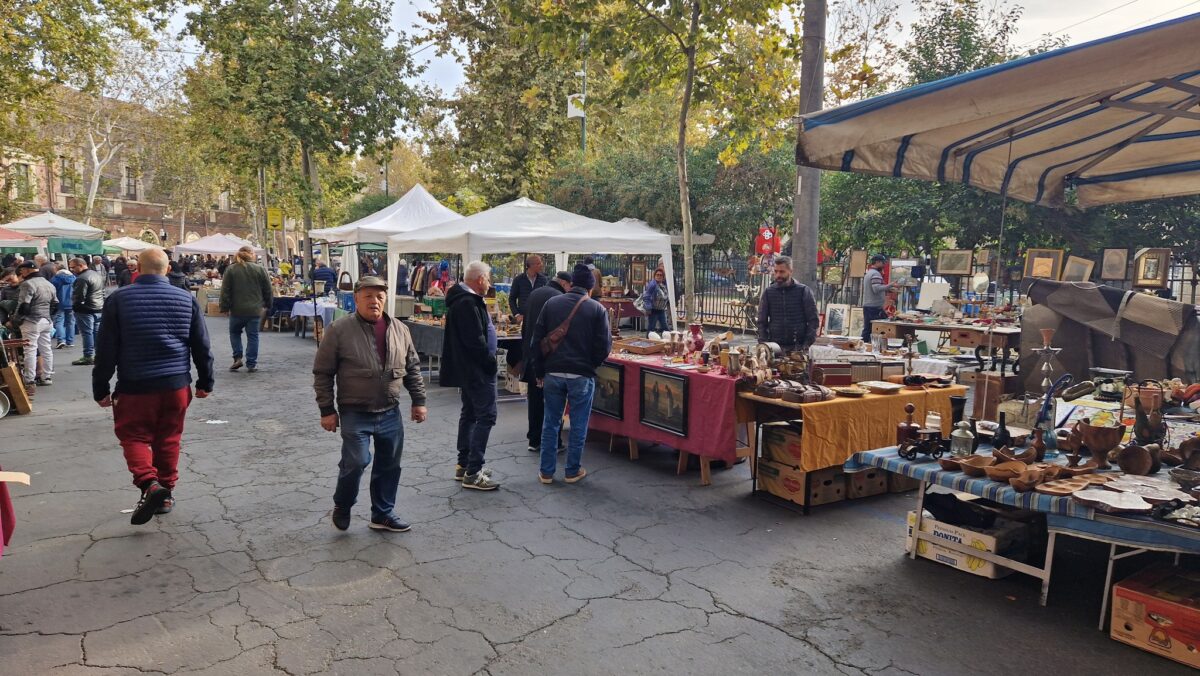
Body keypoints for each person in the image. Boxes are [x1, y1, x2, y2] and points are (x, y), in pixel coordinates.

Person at [93, 246, 214, 525]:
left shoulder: (119, 299)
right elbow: (201, 345)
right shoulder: (185, 298)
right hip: (175, 384)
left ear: (137, 268)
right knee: (169, 438)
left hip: (135, 384)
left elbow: (107, 349)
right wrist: (205, 381)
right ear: (167, 269)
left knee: (133, 436)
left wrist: (101, 387)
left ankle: (150, 484)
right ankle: (166, 493)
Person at [313, 276, 426, 532]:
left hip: (390, 410)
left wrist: (419, 401)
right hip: (355, 411)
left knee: (390, 465)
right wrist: (327, 410)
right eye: (368, 296)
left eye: (379, 296)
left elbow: (412, 368)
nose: (375, 301)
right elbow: (323, 373)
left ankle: (382, 514)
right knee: (356, 461)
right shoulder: (339, 331)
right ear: (356, 299)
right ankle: (343, 503)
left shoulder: (400, 329)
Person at [530, 264, 612, 484]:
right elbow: (604, 347)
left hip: (553, 372)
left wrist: (539, 371)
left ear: (572, 283)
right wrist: (590, 365)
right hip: (581, 375)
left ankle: (546, 472)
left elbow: (537, 341)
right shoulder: (596, 309)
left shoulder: (551, 303)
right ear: (590, 287)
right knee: (578, 424)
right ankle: (572, 470)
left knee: (551, 422)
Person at [442, 260, 501, 490]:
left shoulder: (464, 300)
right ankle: (473, 471)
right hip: (477, 371)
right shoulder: (467, 302)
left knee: (469, 414)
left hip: (470, 370)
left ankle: (464, 464)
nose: (490, 283)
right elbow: (475, 341)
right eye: (488, 278)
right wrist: (490, 362)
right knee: (486, 416)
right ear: (480, 279)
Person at [521, 270, 572, 453]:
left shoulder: (535, 293)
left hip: (531, 354)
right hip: (549, 358)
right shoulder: (559, 298)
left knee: (534, 399)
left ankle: (534, 440)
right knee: (553, 402)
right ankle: (554, 442)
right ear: (565, 284)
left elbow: (525, 326)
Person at [219, 246, 273, 372]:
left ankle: (237, 357)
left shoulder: (231, 269)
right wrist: (268, 304)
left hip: (236, 309)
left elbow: (225, 290)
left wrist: (224, 307)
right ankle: (251, 363)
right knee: (253, 336)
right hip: (254, 310)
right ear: (251, 254)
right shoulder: (260, 269)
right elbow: (268, 289)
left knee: (234, 333)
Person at [757, 256, 818, 353]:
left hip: (798, 347)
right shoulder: (768, 292)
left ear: (790, 271)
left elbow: (813, 320)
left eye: (782, 272)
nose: (778, 275)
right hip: (774, 347)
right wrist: (764, 344)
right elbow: (761, 322)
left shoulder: (803, 291)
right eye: (776, 271)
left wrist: (806, 344)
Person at [15, 261, 57, 389]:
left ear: (27, 270)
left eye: (22, 270)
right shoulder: (49, 284)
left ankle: (30, 379)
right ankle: (47, 376)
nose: (21, 273)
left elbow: (24, 306)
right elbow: (55, 304)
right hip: (46, 320)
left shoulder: (27, 284)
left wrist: (16, 319)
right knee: (46, 349)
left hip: (31, 321)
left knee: (30, 350)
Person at [70, 257, 104, 365]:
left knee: (87, 333)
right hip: (98, 307)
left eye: (73, 267)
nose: (72, 270)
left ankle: (88, 356)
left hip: (86, 309)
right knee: (96, 333)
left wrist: (76, 306)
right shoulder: (96, 275)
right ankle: (99, 355)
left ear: (80, 265)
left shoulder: (82, 278)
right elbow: (102, 291)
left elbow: (79, 296)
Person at [863, 254, 897, 342]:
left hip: (870, 306)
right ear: (877, 262)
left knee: (868, 328)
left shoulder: (869, 273)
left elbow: (876, 287)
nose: (884, 265)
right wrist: (890, 285)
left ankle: (864, 345)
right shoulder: (875, 274)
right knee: (874, 328)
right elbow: (876, 289)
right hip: (874, 307)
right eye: (882, 263)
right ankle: (866, 345)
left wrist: (888, 289)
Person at [510, 255, 548, 322]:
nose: (541, 265)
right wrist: (517, 314)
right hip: (524, 318)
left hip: (539, 318)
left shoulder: (543, 280)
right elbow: (512, 299)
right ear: (531, 265)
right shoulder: (518, 279)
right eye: (538, 263)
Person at [50, 261, 76, 349]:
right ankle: (70, 341)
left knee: (59, 322)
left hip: (60, 302)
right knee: (70, 322)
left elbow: (52, 291)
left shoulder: (55, 279)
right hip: (72, 303)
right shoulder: (74, 277)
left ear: (57, 269)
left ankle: (61, 340)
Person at [642, 268, 670, 335]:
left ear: (663, 277)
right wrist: (648, 308)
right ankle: (648, 342)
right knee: (651, 328)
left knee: (665, 327)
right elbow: (647, 296)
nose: (659, 276)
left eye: (661, 275)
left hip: (661, 310)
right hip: (653, 310)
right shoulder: (652, 285)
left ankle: (668, 341)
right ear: (654, 276)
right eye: (657, 275)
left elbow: (665, 296)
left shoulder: (662, 285)